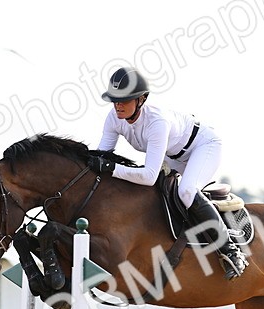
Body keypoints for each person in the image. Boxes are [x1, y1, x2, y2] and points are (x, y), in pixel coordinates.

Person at [90, 66, 246, 279]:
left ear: (141, 99)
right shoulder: (113, 118)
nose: (118, 106)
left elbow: (148, 175)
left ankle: (231, 250)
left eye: (124, 100)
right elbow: (103, 155)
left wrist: (112, 168)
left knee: (186, 192)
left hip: (202, 147)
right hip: (172, 156)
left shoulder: (156, 122)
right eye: (115, 100)